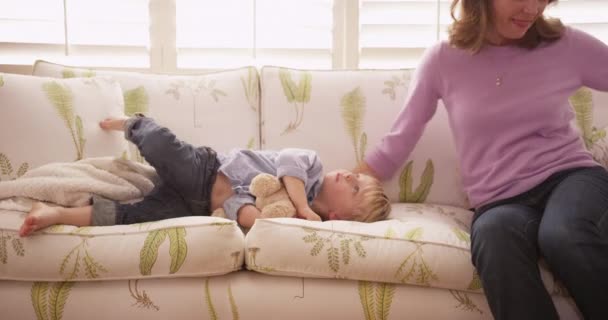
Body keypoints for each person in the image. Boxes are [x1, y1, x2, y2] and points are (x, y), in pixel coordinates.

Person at [355, 0, 608, 319]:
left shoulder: (566, 45)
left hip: (571, 178)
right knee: (493, 236)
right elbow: (402, 136)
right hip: (500, 200)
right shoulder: (441, 60)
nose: (534, 8)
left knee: (562, 233)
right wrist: (342, 186)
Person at [19, 115, 391, 237]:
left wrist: (261, 218)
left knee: (129, 218)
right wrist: (302, 207)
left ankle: (54, 215)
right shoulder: (312, 166)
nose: (348, 176)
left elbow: (239, 211)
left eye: (355, 188)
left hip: (192, 204)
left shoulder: (292, 221)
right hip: (206, 169)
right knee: (164, 147)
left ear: (339, 218)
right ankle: (135, 123)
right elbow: (287, 165)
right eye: (355, 177)